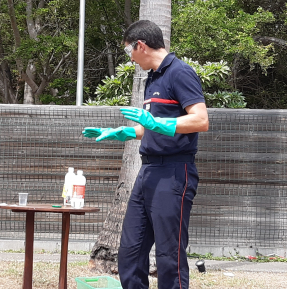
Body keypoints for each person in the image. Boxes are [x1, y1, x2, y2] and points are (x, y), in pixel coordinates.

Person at [83, 20, 209, 289]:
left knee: (168, 254)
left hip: (174, 173)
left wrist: (157, 124)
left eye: (129, 50)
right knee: (130, 251)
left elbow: (200, 120)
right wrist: (126, 132)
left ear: (140, 45)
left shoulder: (180, 73)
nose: (129, 57)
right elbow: (149, 126)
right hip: (148, 172)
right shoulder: (151, 78)